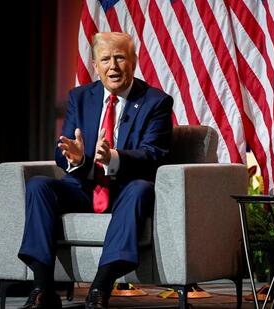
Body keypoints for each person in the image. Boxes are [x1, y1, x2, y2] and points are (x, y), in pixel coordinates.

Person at [17, 32, 173, 309]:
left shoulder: (155, 102)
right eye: (105, 59)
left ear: (134, 61)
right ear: (95, 65)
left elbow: (153, 155)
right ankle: (42, 289)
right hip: (84, 188)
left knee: (140, 188)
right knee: (39, 186)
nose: (113, 66)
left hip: (126, 190)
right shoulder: (80, 97)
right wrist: (77, 159)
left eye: (120, 58)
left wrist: (113, 157)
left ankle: (100, 289)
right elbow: (62, 149)